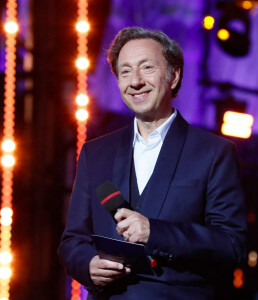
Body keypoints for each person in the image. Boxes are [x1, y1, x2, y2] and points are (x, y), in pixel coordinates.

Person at [58, 27, 247, 300]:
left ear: (173, 75)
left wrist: (155, 233)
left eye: (146, 67)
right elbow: (72, 241)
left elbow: (232, 245)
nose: (135, 81)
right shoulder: (95, 152)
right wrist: (88, 265)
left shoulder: (214, 153)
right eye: (125, 71)